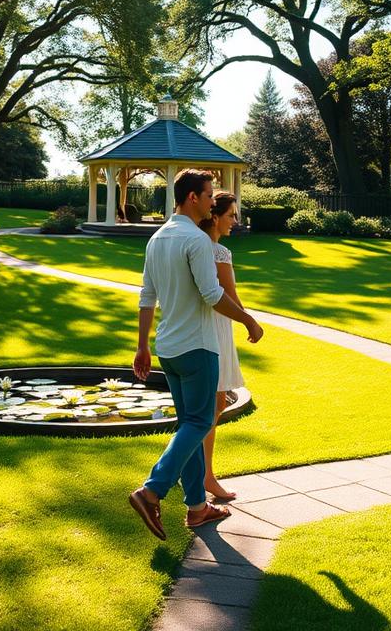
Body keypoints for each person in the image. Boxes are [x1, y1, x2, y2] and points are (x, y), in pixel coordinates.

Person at [129, 170, 264, 540]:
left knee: (188, 424)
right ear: (192, 197)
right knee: (200, 421)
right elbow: (212, 294)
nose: (211, 202)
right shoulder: (197, 240)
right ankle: (152, 491)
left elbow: (146, 296)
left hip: (167, 349)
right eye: (208, 196)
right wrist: (249, 320)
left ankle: (197, 507)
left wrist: (142, 346)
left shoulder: (157, 238)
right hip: (198, 347)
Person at [198, 191, 244, 501]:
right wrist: (249, 321)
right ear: (215, 217)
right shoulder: (218, 252)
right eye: (230, 215)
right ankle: (205, 475)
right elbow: (229, 294)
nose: (234, 221)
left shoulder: (197, 247)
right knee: (213, 403)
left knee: (214, 403)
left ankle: (200, 472)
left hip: (208, 325)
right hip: (216, 328)